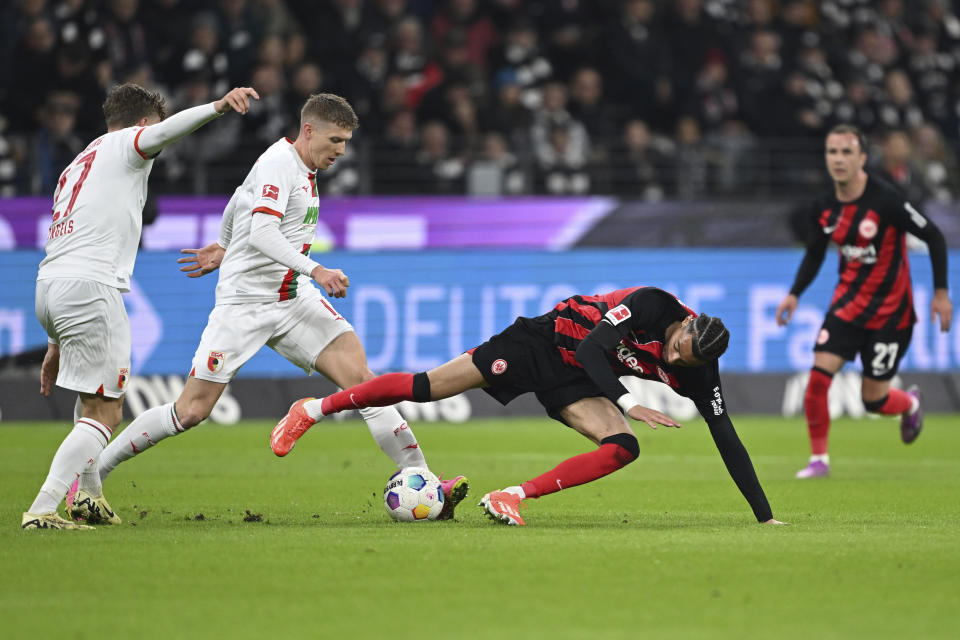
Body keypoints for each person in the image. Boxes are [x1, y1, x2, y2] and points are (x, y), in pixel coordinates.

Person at [76, 94, 468, 525]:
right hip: (244, 305)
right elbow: (263, 232)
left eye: (347, 142)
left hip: (291, 299)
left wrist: (224, 243)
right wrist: (316, 269)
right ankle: (92, 473)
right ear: (310, 130)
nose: (342, 150)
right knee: (191, 411)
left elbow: (238, 199)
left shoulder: (303, 166)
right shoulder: (279, 164)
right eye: (336, 140)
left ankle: (421, 477)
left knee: (364, 382)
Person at [272, 286, 785, 527]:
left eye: (682, 360)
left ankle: (511, 496)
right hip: (541, 341)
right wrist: (629, 400)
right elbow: (591, 347)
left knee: (623, 447)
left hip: (578, 378)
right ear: (688, 323)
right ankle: (314, 410)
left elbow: (727, 438)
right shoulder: (654, 305)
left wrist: (764, 519)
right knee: (427, 386)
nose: (673, 357)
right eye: (676, 346)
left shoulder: (699, 371)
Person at [24, 82, 259, 530]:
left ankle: (88, 496)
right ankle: (42, 508)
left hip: (51, 285)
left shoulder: (78, 164)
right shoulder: (127, 144)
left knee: (91, 400)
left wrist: (55, 341)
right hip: (92, 287)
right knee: (107, 413)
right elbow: (165, 134)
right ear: (142, 123)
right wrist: (217, 107)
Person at [776, 124, 953, 479]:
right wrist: (795, 293)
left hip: (891, 313)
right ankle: (819, 460)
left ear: (861, 158)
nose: (838, 159)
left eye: (846, 152)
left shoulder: (886, 200)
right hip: (847, 306)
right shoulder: (824, 207)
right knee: (817, 379)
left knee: (874, 399)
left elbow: (933, 236)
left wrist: (941, 293)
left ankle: (910, 404)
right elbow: (814, 253)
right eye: (832, 152)